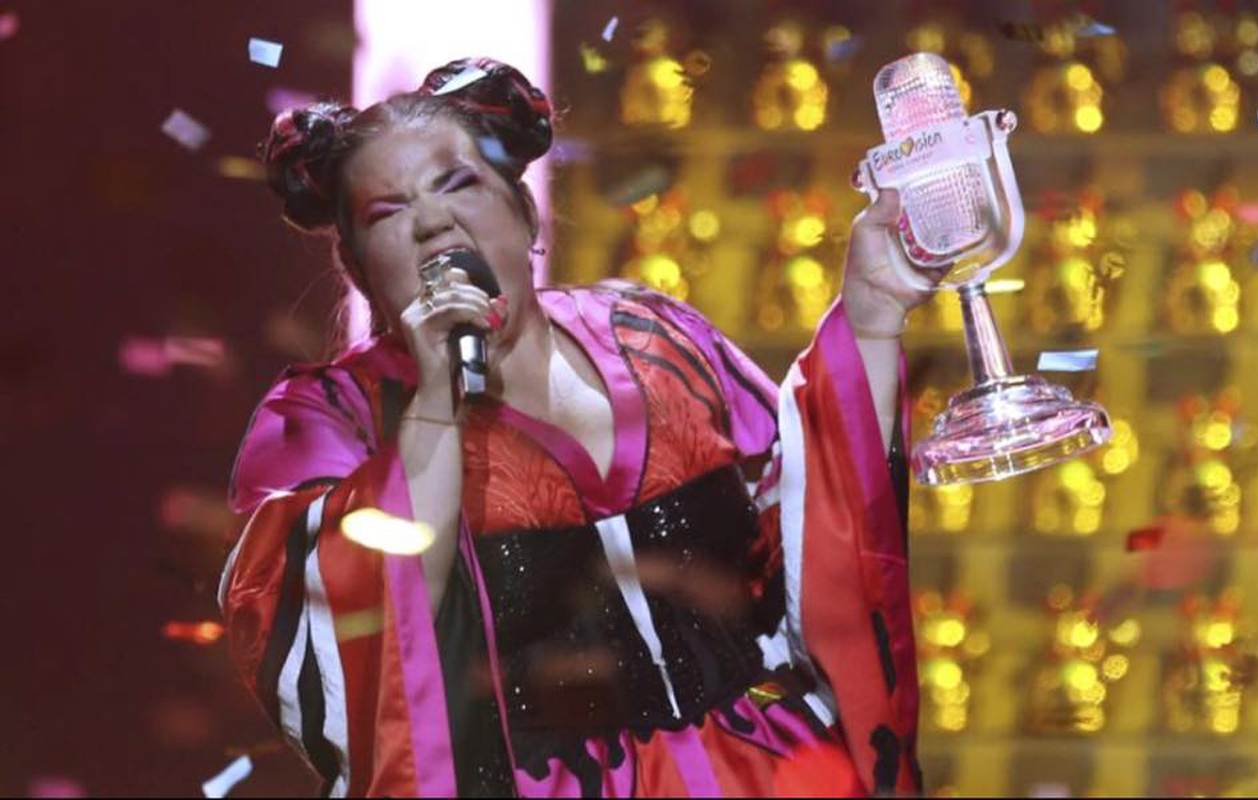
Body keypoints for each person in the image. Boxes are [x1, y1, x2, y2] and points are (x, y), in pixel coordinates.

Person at [219, 57, 934, 798]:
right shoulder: (329, 416)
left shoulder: (655, 334)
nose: (433, 222)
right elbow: (353, 634)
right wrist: (434, 401)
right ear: (359, 267)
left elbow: (812, 535)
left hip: (769, 774)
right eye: (388, 212)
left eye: (458, 184)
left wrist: (872, 316)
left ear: (526, 211)